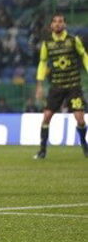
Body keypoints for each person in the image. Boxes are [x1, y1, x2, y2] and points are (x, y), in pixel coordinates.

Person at [33, 14, 88, 159]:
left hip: (73, 85)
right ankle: (42, 151)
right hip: (56, 86)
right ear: (51, 25)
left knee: (80, 119)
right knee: (46, 117)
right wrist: (39, 84)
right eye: (55, 22)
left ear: (64, 24)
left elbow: (83, 55)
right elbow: (43, 62)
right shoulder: (47, 44)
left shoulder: (73, 40)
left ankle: (84, 144)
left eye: (60, 21)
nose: (58, 24)